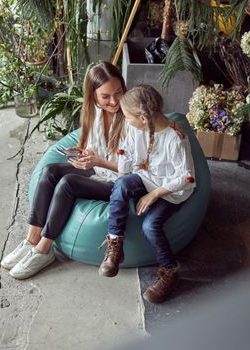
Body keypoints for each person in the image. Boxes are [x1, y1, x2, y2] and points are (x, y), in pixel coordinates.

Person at [1, 61, 127, 279]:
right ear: (94, 96)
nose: (114, 101)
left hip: (119, 182)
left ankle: (44, 249)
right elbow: (95, 147)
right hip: (99, 170)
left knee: (67, 184)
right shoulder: (95, 113)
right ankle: (32, 239)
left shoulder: (131, 116)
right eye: (105, 96)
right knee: (49, 172)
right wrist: (84, 153)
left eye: (118, 92)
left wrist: (96, 162)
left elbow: (135, 169)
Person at [98, 85, 196, 303]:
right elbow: (126, 152)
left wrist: (155, 194)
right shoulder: (136, 129)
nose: (125, 120)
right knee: (122, 184)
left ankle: (170, 270)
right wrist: (123, 180)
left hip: (170, 191)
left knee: (150, 226)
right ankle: (115, 244)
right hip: (145, 178)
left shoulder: (175, 138)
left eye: (127, 117)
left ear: (142, 117)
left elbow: (188, 179)